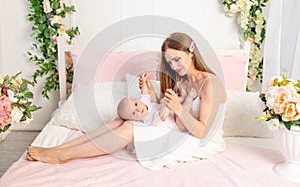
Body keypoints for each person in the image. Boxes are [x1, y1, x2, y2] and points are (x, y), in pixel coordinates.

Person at [27, 32, 227, 169]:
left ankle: (64, 156)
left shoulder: (209, 84)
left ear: (190, 54)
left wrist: (179, 110)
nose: (173, 66)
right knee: (120, 120)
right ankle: (60, 148)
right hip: (177, 125)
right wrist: (148, 91)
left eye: (177, 59)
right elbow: (165, 111)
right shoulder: (181, 79)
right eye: (169, 61)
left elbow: (202, 132)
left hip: (197, 139)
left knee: (130, 128)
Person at [117, 73, 197, 130]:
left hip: (171, 111)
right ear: (134, 120)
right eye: (134, 113)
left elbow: (145, 93)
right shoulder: (147, 119)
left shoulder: (143, 103)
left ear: (137, 100)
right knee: (181, 123)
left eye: (135, 104)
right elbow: (162, 116)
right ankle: (189, 98)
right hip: (175, 123)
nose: (138, 109)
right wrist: (168, 105)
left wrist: (144, 82)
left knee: (163, 101)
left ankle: (182, 98)